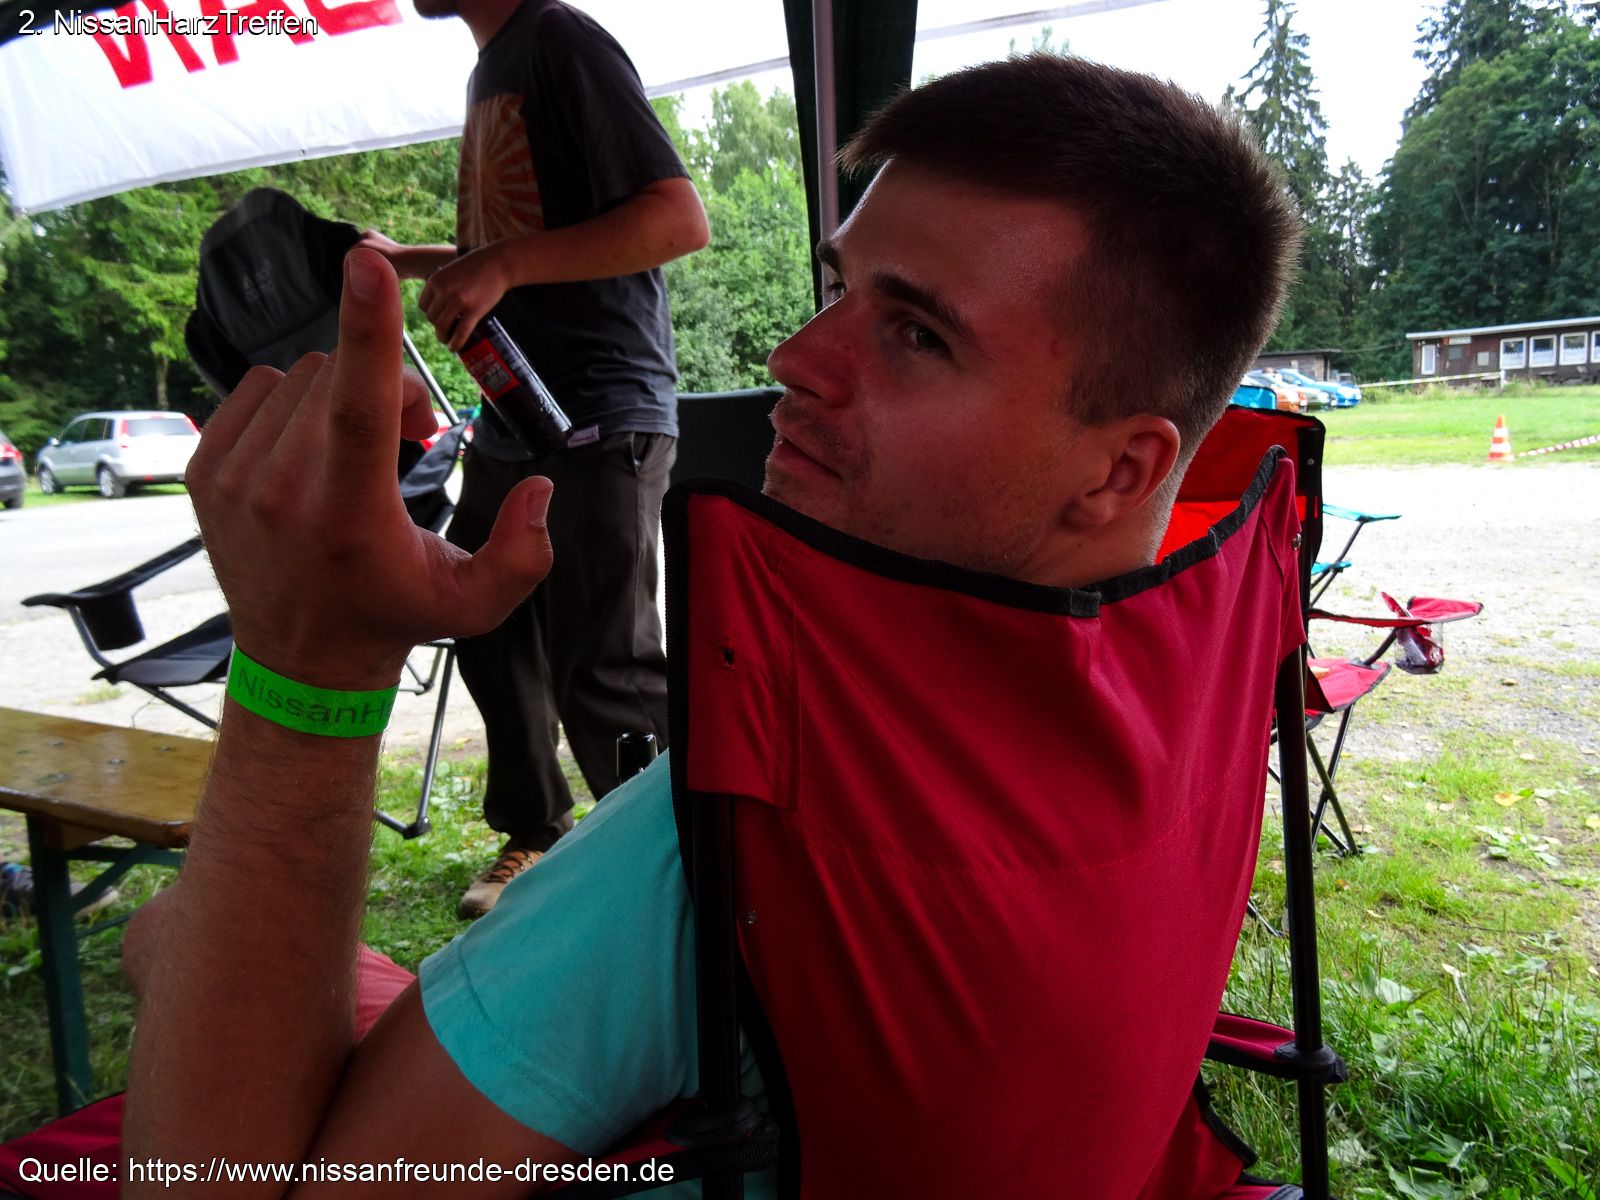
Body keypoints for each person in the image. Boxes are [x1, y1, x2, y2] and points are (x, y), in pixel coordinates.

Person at [122, 55, 1298, 1197]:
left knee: (173, 936)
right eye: (840, 292)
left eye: (919, 335)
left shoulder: (750, 830)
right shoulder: (1192, 679)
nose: (795, 358)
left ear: (1120, 469)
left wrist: (310, 672)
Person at [360, 0, 709, 918]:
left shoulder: (559, 41)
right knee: (483, 618)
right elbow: (519, 241)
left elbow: (678, 219)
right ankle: (535, 834)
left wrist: (504, 264)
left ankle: (688, 877)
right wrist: (416, 258)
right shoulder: (495, 66)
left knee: (604, 661)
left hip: (601, 405)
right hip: (515, 409)